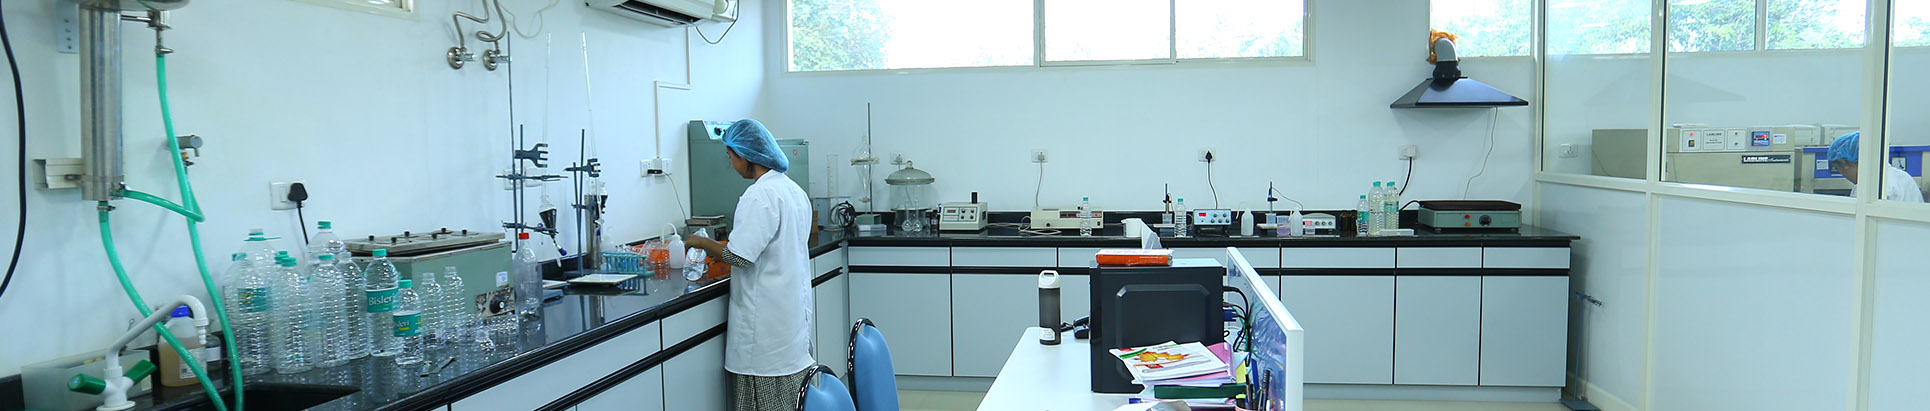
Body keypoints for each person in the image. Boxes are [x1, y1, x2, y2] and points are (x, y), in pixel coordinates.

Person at [682, 119, 815, 410]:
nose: (731, 163)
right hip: (790, 319)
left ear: (744, 156)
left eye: (730, 156)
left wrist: (701, 242)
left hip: (765, 333)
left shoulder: (759, 195)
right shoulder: (793, 190)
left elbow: (738, 256)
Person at [1827, 131, 1925, 203]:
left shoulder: (1869, 186)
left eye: (1839, 170)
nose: (1845, 176)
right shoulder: (1903, 177)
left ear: (1843, 163)